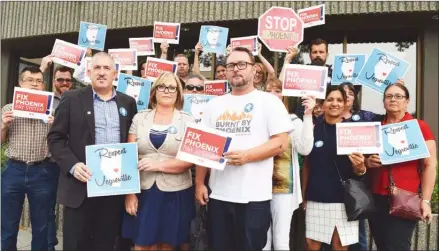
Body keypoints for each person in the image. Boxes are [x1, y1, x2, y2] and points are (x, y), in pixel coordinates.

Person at [195, 47, 293, 250]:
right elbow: (202, 147)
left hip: (254, 198)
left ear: (254, 69)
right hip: (219, 195)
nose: (236, 69)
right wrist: (199, 183)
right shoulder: (214, 104)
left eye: (242, 64)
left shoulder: (269, 102)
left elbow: (281, 142)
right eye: (231, 65)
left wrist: (247, 156)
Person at [47, 52, 137, 251]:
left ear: (116, 73)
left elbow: (132, 143)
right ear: (89, 72)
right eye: (97, 68)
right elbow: (55, 139)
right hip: (80, 188)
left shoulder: (128, 103)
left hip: (113, 189)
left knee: (104, 244)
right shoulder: (71, 99)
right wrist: (72, 165)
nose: (102, 73)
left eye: (107, 68)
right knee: (75, 245)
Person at [122, 72, 195, 251]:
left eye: (172, 87)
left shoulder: (187, 120)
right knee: (142, 244)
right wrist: (129, 194)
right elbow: (128, 155)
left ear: (178, 93)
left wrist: (157, 165)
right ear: (154, 91)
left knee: (167, 245)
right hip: (144, 191)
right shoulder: (140, 118)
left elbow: (189, 159)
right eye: (162, 86)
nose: (167, 91)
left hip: (175, 192)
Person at [365, 83, 437, 251]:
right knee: (382, 245)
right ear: (383, 102)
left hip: (405, 198)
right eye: (389, 96)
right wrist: (367, 163)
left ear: (407, 102)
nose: (393, 100)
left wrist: (426, 201)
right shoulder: (375, 128)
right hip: (376, 199)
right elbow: (361, 160)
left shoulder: (418, 126)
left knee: (397, 247)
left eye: (398, 96)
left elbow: (429, 165)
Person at [301, 86, 367, 251]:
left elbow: (359, 171)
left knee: (339, 246)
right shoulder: (314, 129)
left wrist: (360, 166)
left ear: (345, 104)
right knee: (312, 245)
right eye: (330, 99)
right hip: (316, 196)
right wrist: (303, 195)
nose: (334, 104)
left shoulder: (352, 131)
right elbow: (307, 165)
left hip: (343, 199)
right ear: (322, 104)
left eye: (339, 100)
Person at [1, 66, 56, 251]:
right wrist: (3, 126)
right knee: (8, 225)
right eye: (30, 80)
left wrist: (55, 126)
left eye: (39, 81)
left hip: (41, 171)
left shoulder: (52, 112)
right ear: (20, 83)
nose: (34, 85)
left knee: (41, 226)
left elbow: (60, 143)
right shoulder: (9, 109)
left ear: (43, 85)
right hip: (13, 171)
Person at [263, 78, 315, 251]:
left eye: (277, 90)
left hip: (284, 186)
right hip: (257, 185)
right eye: (268, 90)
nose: (273, 93)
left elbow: (305, 149)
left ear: (284, 95)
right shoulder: (256, 120)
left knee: (281, 240)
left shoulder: (293, 121)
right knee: (262, 238)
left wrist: (308, 115)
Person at [39, 57, 75, 250]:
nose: (64, 83)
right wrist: (43, 68)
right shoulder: (46, 100)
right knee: (48, 208)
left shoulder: (77, 98)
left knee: (73, 208)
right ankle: (50, 245)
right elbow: (29, 94)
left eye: (67, 80)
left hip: (72, 162)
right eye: (60, 79)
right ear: (53, 81)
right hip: (50, 163)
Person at [280, 39, 333, 119]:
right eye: (315, 52)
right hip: (302, 117)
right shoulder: (301, 71)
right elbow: (280, 84)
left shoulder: (334, 75)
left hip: (327, 118)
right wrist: (288, 59)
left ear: (327, 55)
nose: (318, 55)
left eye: (321, 52)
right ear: (310, 55)